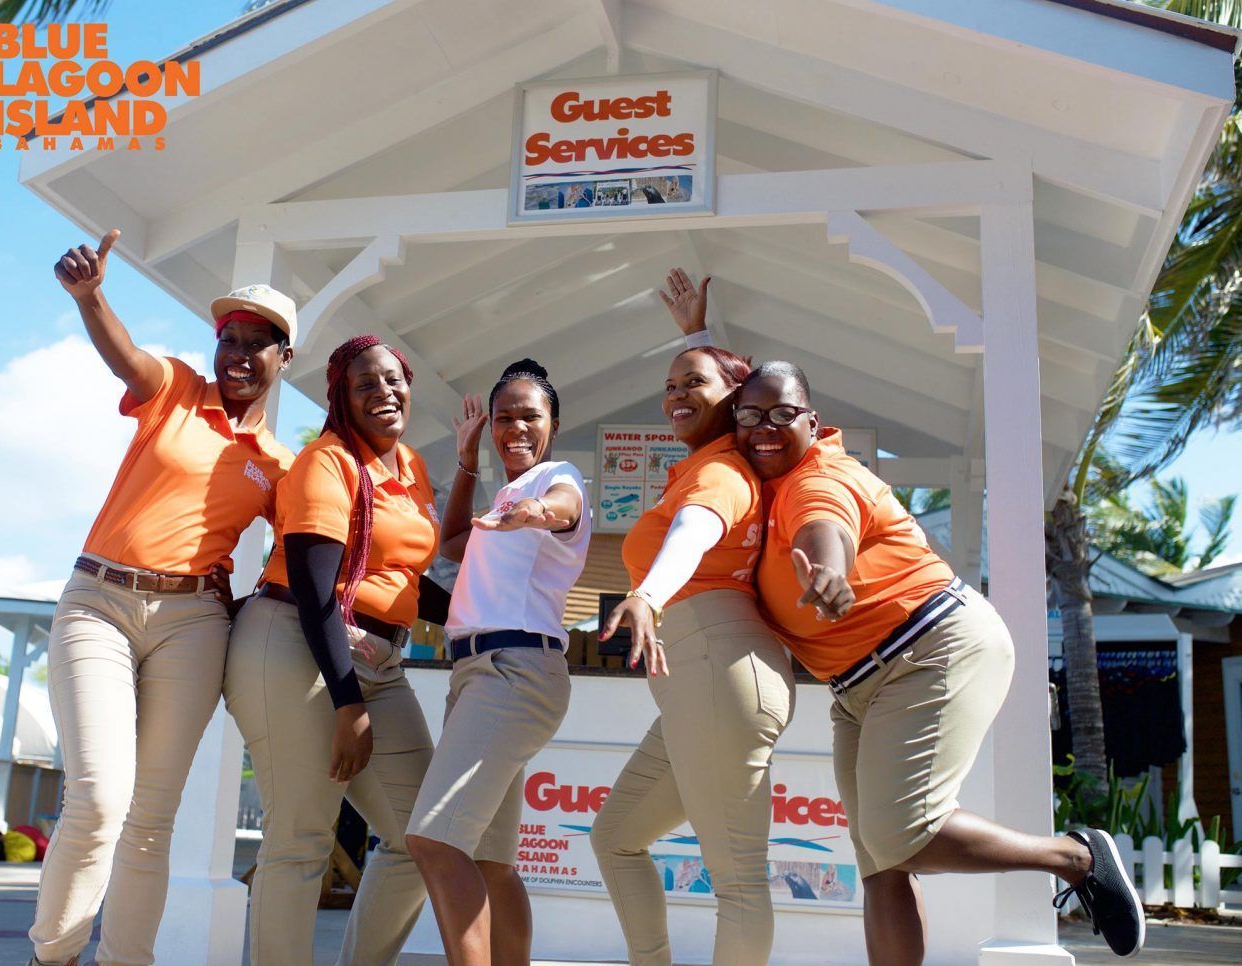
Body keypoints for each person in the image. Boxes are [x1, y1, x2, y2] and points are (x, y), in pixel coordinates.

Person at [662, 267, 1145, 963]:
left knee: (903, 833)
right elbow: (722, 397)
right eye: (751, 415)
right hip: (858, 688)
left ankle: (1073, 857)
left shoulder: (817, 479)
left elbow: (822, 529)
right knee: (882, 863)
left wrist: (826, 571)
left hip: (931, 650)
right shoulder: (750, 472)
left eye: (782, 415)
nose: (765, 428)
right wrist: (699, 338)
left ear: (813, 419)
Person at [31, 231, 296, 966]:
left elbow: (309, 550)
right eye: (229, 339)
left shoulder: (280, 465)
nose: (238, 354)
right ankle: (50, 956)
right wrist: (91, 299)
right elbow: (126, 356)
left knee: (151, 821)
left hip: (194, 624)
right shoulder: (178, 388)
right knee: (97, 801)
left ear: (285, 359)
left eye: (257, 343)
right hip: (100, 604)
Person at [224, 335, 440, 966]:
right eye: (364, 383)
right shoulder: (327, 461)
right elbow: (319, 586)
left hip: (377, 656)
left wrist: (478, 620)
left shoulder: (412, 468)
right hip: (295, 642)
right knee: (300, 840)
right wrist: (348, 703)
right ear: (342, 398)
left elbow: (398, 572)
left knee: (424, 836)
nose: (384, 391)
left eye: (393, 379)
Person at [589, 307, 794, 965]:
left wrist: (648, 592)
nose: (676, 394)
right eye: (671, 384)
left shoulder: (720, 473)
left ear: (734, 402)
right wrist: (698, 339)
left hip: (716, 664)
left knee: (736, 880)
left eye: (693, 383)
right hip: (702, 677)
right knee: (616, 836)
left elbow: (694, 531)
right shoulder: (707, 463)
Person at [406, 360, 590, 966]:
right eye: (503, 418)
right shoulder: (505, 495)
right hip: (481, 676)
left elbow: (562, 505)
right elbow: (452, 541)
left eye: (529, 416)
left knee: (431, 839)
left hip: (512, 671)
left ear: (553, 425)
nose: (515, 428)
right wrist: (465, 460)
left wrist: (537, 512)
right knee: (490, 861)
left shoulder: (555, 478)